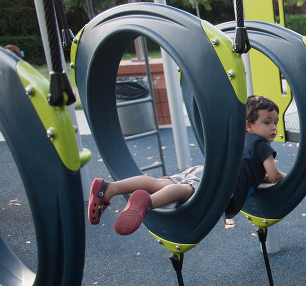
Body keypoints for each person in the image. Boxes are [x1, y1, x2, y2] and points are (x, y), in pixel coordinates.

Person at [88, 95, 285, 235]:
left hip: (205, 170)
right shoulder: (261, 145)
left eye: (276, 122)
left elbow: (249, 169)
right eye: (267, 122)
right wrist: (286, 177)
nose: (274, 127)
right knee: (186, 191)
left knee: (159, 183)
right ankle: (147, 202)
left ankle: (110, 188)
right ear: (248, 125)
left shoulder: (239, 139)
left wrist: (260, 176)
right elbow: (274, 175)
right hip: (222, 184)